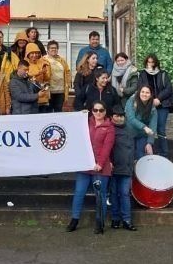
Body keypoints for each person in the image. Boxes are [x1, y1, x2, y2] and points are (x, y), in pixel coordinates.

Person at [66, 101, 114, 234]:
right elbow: (73, 131)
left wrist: (100, 163)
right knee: (79, 193)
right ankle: (74, 219)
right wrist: (78, 116)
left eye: (101, 110)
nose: (98, 112)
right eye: (95, 110)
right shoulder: (86, 122)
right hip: (85, 164)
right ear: (91, 110)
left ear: (105, 111)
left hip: (100, 167)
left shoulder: (109, 127)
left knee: (101, 196)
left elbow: (107, 147)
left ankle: (100, 222)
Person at [137, 54, 173, 157]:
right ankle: (150, 152)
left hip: (162, 105)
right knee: (149, 128)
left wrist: (159, 98)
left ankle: (164, 154)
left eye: (152, 62)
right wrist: (150, 100)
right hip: (148, 105)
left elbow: (168, 88)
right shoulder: (142, 74)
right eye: (148, 62)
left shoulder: (163, 74)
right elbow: (140, 88)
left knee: (160, 128)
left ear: (156, 63)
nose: (150, 64)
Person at [109, 105, 137, 231]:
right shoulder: (109, 129)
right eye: (117, 116)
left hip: (126, 168)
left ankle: (127, 220)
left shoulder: (129, 129)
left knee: (125, 194)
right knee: (114, 194)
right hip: (112, 168)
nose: (119, 118)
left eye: (121, 116)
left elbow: (132, 148)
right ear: (111, 117)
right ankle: (115, 219)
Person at [125, 85, 158, 159]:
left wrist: (150, 142)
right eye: (142, 92)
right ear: (139, 92)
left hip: (142, 135)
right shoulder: (131, 101)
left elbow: (153, 126)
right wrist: (144, 127)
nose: (144, 94)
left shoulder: (152, 107)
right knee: (129, 156)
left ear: (151, 95)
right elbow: (131, 118)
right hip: (129, 133)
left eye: (147, 92)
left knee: (141, 155)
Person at [24, 43, 51, 112]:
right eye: (32, 53)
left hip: (43, 97)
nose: (34, 55)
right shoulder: (24, 64)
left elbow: (47, 79)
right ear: (27, 54)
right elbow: (27, 76)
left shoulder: (43, 63)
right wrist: (40, 72)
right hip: (31, 98)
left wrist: (45, 73)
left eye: (36, 53)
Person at [45, 40, 71, 113]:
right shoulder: (44, 60)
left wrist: (68, 84)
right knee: (48, 112)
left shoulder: (62, 60)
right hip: (49, 91)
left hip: (60, 91)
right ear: (48, 50)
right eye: (51, 48)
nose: (54, 49)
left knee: (58, 111)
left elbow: (68, 72)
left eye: (55, 48)